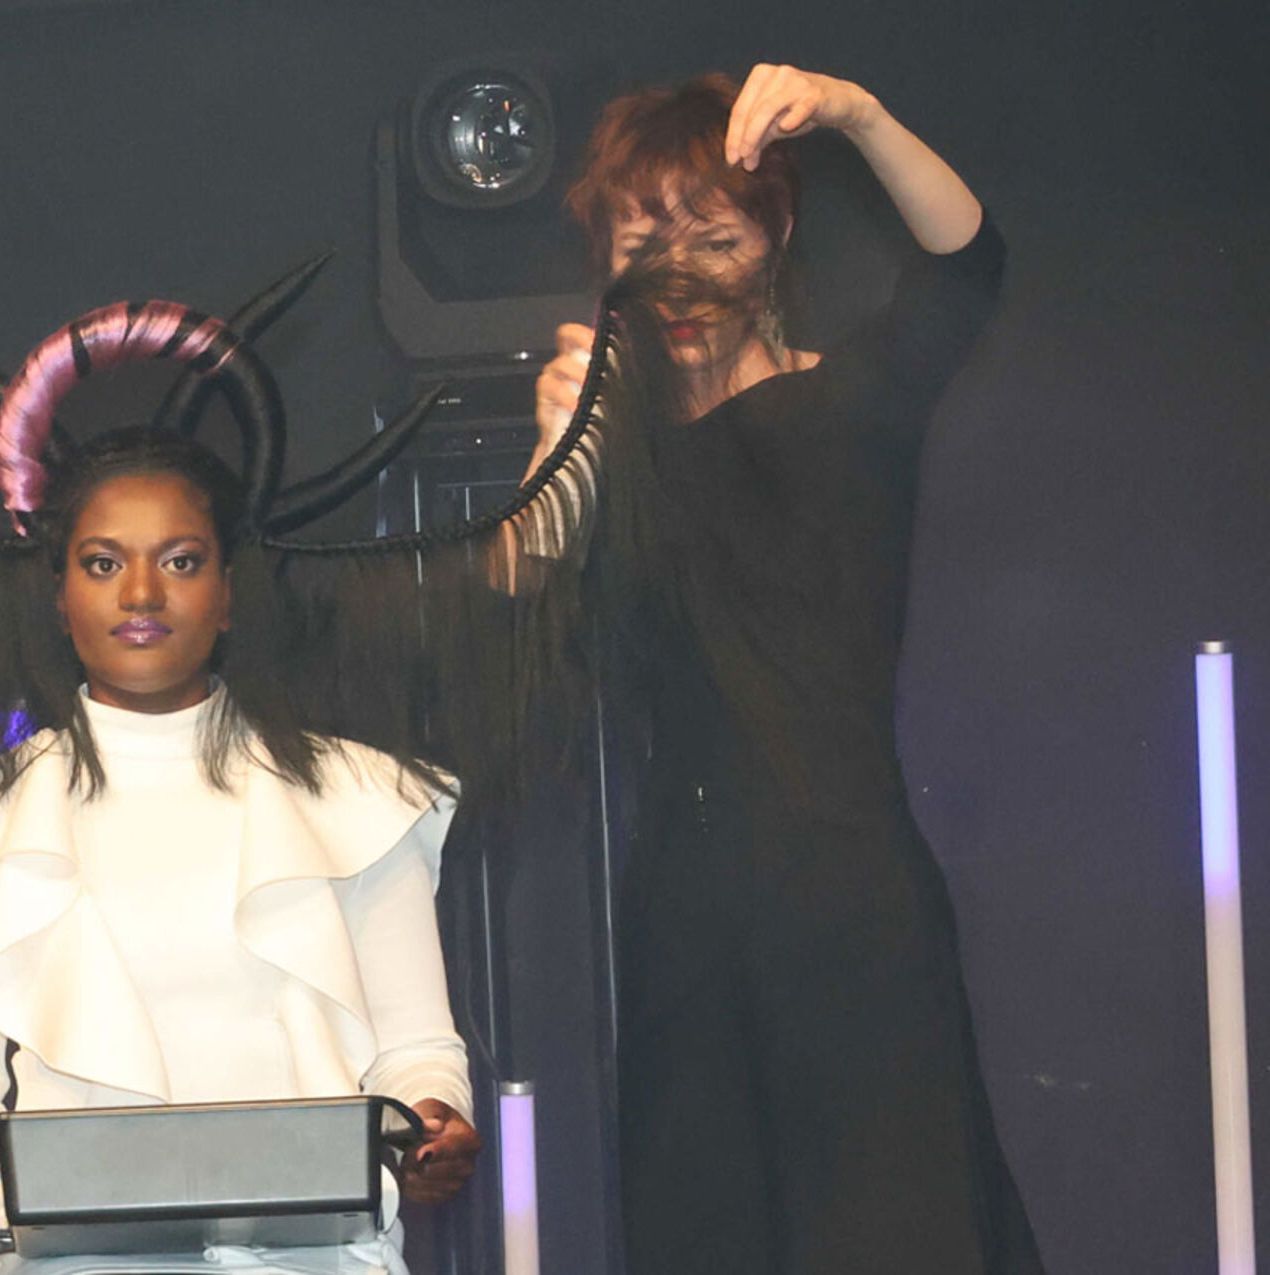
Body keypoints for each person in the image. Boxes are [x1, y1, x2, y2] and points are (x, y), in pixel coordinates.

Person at [529, 65, 1044, 1272]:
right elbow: (504, 624)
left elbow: (967, 264)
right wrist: (554, 469)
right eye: (643, 241)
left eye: (717, 236)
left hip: (849, 902)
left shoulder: (851, 404)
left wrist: (858, 114)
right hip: (684, 924)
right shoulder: (615, 456)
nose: (682, 272)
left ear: (776, 238)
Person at [0, 420, 481, 1275]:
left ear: (228, 594)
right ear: (60, 597)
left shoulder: (360, 799)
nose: (141, 593)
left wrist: (435, 1123)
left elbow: (417, 1052)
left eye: (182, 561)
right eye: (102, 563)